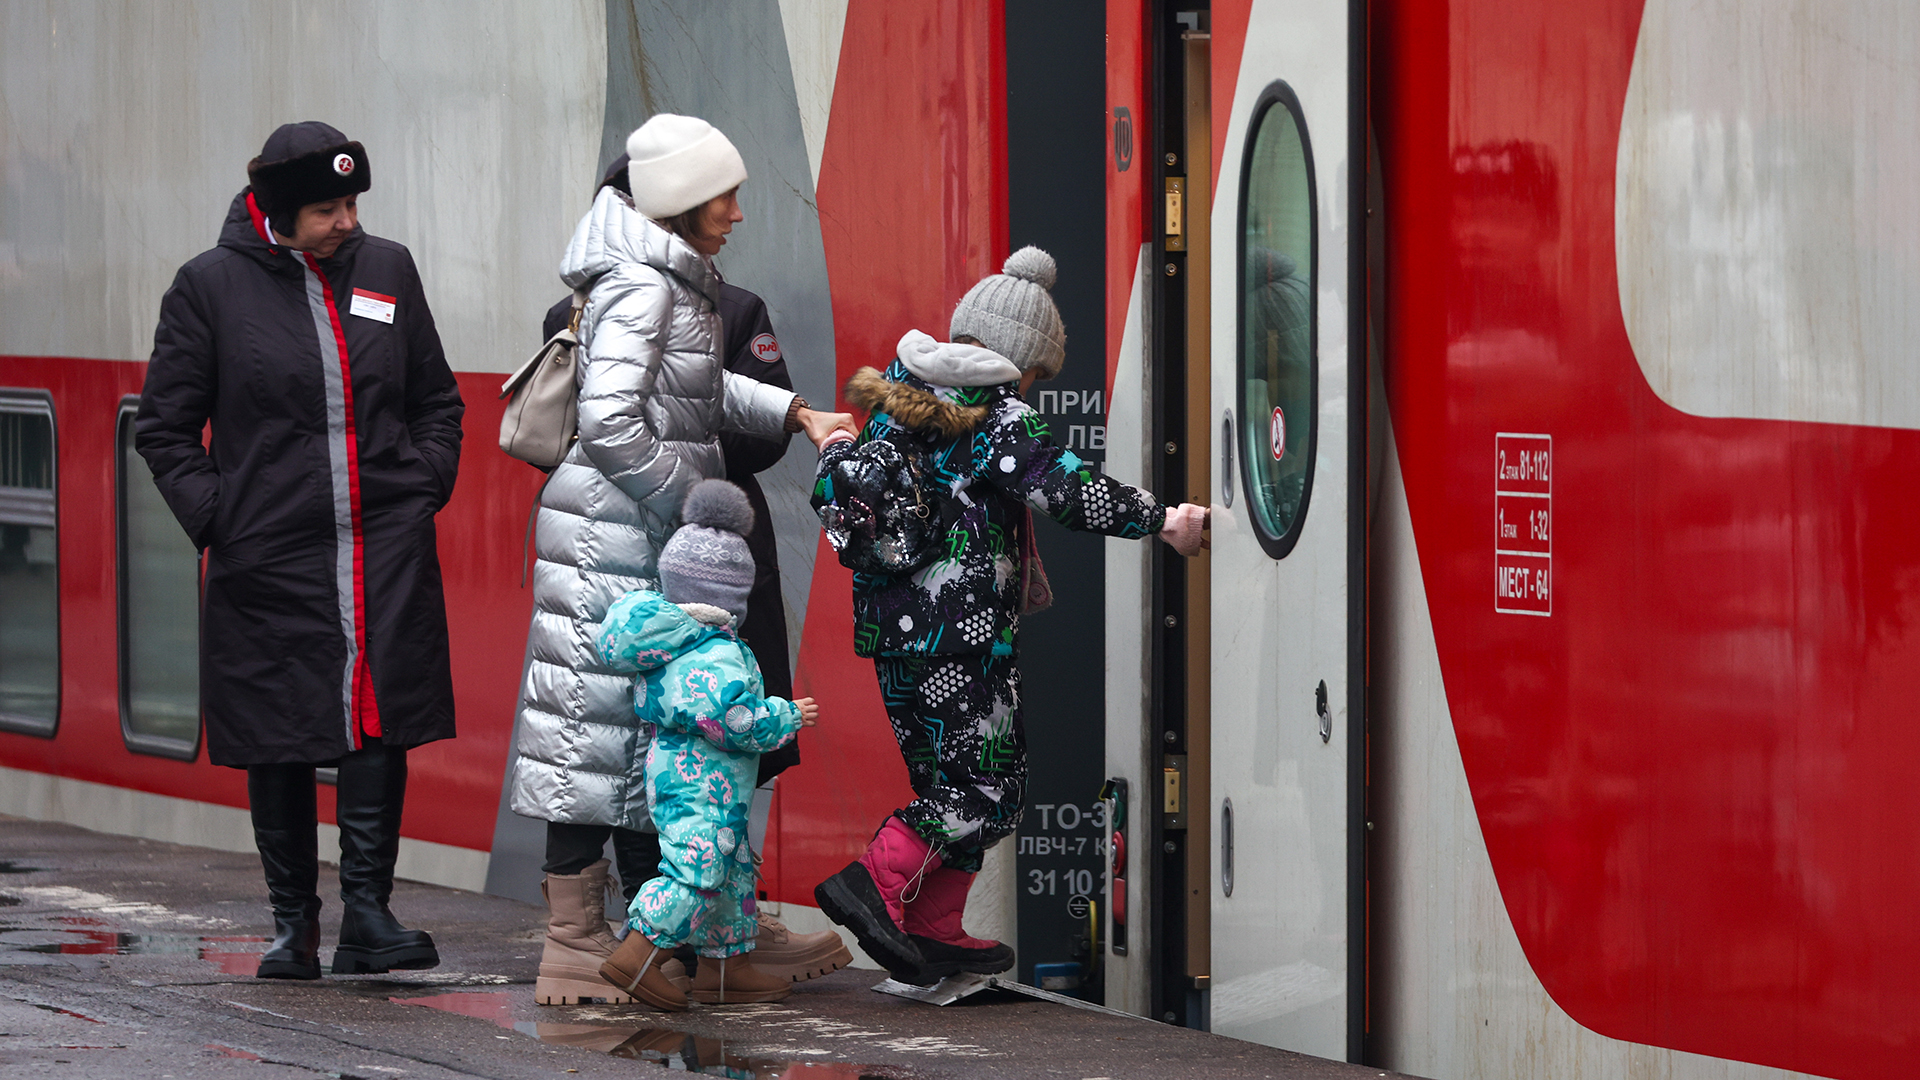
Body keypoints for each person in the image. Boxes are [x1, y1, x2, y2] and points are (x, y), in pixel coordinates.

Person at [509, 116, 854, 1005]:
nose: (737, 213)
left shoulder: (661, 281)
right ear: (681, 202)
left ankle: (663, 944)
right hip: (613, 539)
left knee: (626, 735)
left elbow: (697, 385)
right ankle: (576, 945)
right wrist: (687, 500)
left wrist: (794, 414)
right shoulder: (643, 286)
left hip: (621, 534)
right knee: (590, 737)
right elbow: (610, 421)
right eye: (723, 197)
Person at [810, 247, 1209, 984]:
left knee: (950, 785)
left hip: (893, 636)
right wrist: (1164, 520)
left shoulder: (898, 393)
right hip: (960, 639)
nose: (1034, 389)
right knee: (990, 786)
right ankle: (877, 879)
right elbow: (1067, 492)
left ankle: (933, 925)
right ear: (1020, 359)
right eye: (1038, 375)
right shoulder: (996, 413)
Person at [136, 121, 465, 980]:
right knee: (277, 726)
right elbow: (164, 429)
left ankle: (369, 916)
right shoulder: (208, 288)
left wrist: (423, 484)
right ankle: (294, 927)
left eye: (352, 203)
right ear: (277, 212)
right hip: (267, 554)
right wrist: (222, 519)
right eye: (327, 209)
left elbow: (436, 399)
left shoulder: (387, 270)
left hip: (383, 546)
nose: (347, 222)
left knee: (377, 715)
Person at [592, 480, 817, 1010]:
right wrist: (786, 715)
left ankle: (724, 970)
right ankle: (638, 954)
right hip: (702, 785)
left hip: (696, 779)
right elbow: (734, 720)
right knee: (696, 870)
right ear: (732, 594)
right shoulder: (713, 652)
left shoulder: (676, 641)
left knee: (729, 871)